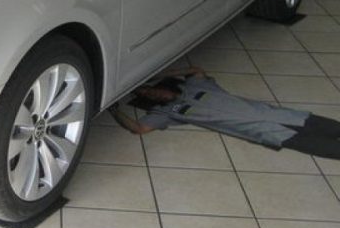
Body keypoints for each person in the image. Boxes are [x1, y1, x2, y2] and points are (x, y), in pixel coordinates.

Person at [111, 67, 340, 160]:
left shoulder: (196, 86)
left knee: (334, 128)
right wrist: (113, 110)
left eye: (151, 89)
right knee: (331, 149)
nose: (153, 94)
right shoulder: (168, 113)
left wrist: (157, 74)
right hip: (271, 133)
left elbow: (195, 70)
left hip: (291, 117)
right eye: (147, 96)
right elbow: (138, 128)